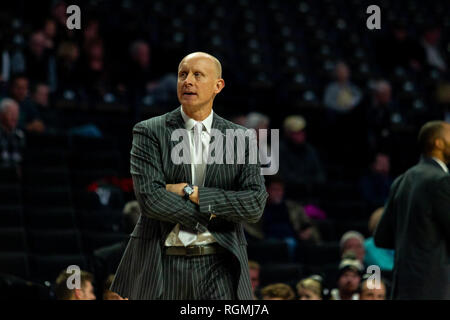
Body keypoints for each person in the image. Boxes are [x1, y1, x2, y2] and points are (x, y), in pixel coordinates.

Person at [110, 52, 268, 300]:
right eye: (182, 74)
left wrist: (192, 192)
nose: (187, 81)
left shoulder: (240, 138)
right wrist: (218, 213)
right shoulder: (149, 131)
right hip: (163, 263)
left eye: (197, 75)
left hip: (221, 264)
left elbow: (254, 204)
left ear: (218, 85)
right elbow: (151, 200)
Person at [374, 121, 450, 299]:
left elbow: (382, 237)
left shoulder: (402, 180)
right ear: (438, 142)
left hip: (403, 288)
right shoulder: (440, 180)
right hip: (434, 288)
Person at [0, 98, 25, 168]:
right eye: (11, 113)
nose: (15, 117)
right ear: (1, 115)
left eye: (16, 113)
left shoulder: (20, 135)